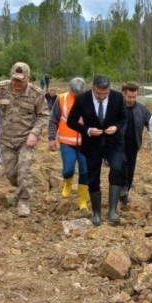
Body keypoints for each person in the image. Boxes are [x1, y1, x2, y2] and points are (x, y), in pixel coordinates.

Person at [0, 62, 49, 217]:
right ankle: (21, 188)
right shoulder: (0, 89)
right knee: (11, 175)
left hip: (26, 140)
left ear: (28, 78)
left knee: (24, 170)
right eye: (14, 79)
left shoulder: (36, 93)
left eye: (21, 80)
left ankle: (24, 201)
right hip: (6, 139)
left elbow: (44, 115)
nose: (17, 83)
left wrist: (34, 133)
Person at [67, 75, 126, 226]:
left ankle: (113, 211)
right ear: (93, 88)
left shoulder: (118, 97)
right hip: (92, 143)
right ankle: (96, 213)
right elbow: (71, 121)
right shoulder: (82, 99)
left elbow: (124, 118)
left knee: (117, 168)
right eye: (98, 93)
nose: (101, 96)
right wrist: (87, 129)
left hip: (114, 142)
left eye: (105, 94)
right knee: (93, 175)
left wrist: (117, 127)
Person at [48, 77, 89, 210]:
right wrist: (51, 138)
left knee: (85, 171)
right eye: (74, 93)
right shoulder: (61, 99)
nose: (76, 96)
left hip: (85, 143)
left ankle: (82, 200)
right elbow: (53, 119)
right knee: (68, 169)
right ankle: (67, 182)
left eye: (79, 94)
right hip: (66, 142)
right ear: (70, 89)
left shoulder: (91, 100)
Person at [119, 82, 151, 206]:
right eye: (129, 97)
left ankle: (125, 191)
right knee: (121, 166)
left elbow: (151, 124)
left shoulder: (142, 109)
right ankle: (119, 190)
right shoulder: (116, 107)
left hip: (134, 144)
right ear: (124, 94)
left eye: (134, 97)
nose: (132, 99)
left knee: (130, 170)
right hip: (117, 144)